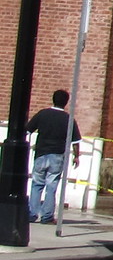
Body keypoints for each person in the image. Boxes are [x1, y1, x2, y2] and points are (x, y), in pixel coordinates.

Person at [25, 89, 77, 224]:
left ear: (53, 99)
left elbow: (28, 130)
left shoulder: (43, 114)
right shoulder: (68, 119)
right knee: (51, 186)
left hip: (41, 154)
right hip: (57, 155)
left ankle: (32, 213)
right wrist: (76, 156)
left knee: (37, 184)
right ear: (66, 102)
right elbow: (75, 141)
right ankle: (47, 216)